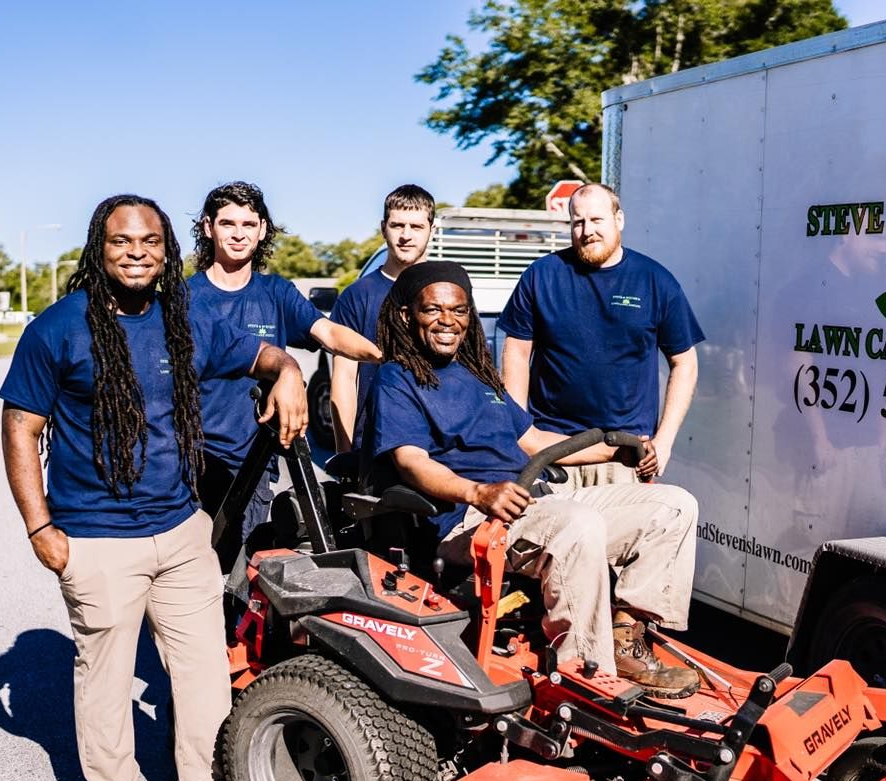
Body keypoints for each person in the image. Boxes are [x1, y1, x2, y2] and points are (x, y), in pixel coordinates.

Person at [0, 194, 309, 781]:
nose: (136, 252)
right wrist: (40, 528)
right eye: (121, 241)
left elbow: (262, 356)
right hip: (95, 536)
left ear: (168, 251)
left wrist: (289, 373)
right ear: (99, 248)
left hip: (179, 529)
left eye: (149, 241)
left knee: (202, 669)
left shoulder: (185, 319)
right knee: (106, 675)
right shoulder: (58, 328)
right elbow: (20, 427)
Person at [366, 261, 699, 698]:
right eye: (433, 309)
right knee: (577, 523)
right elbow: (411, 461)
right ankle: (582, 674)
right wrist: (477, 492)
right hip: (468, 521)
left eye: (459, 310)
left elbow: (534, 440)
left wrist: (614, 450)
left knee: (673, 507)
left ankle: (623, 637)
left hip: (530, 504)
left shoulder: (478, 376)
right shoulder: (396, 379)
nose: (448, 320)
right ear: (407, 315)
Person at [189, 181, 379, 555]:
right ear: (209, 227)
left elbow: (329, 333)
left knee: (240, 568)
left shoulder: (276, 292)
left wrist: (384, 354)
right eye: (228, 223)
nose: (239, 234)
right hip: (192, 460)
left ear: (262, 230)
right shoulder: (185, 298)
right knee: (189, 570)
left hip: (253, 461)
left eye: (248, 224)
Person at [499, 183, 704, 486]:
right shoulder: (541, 276)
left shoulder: (655, 281)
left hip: (624, 454)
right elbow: (516, 352)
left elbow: (685, 362)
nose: (587, 231)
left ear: (618, 220)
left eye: (597, 220)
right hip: (552, 450)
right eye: (578, 222)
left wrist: (664, 440)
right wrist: (519, 430)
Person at [328, 184, 436, 452]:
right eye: (397, 225)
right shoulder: (356, 296)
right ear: (383, 228)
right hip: (375, 448)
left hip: (439, 447)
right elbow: (344, 378)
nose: (406, 235)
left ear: (431, 230)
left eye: (416, 226)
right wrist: (345, 455)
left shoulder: (448, 291)